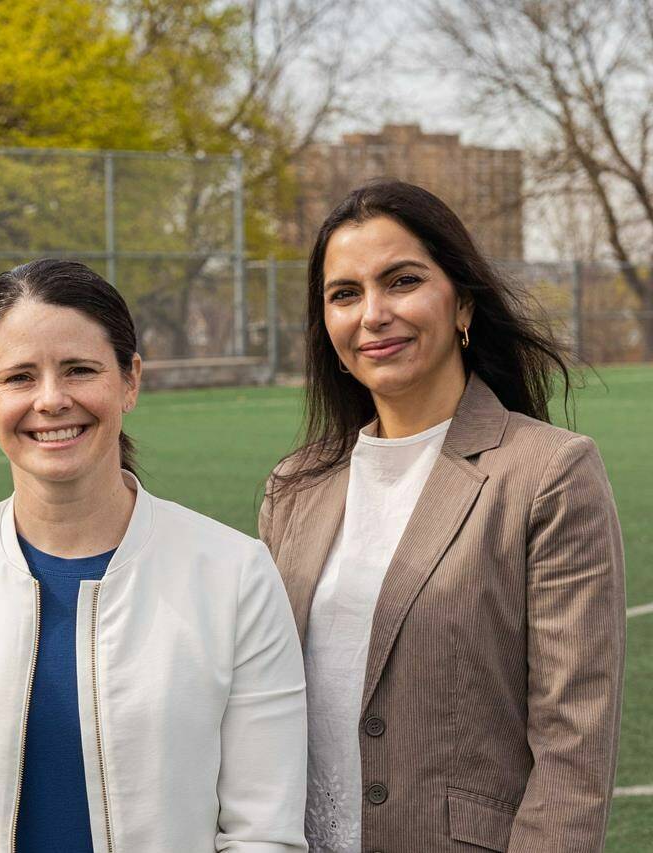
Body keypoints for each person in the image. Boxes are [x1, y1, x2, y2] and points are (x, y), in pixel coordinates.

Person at [0, 258, 308, 853]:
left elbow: (264, 834)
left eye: (79, 370)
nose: (51, 399)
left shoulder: (236, 575)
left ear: (130, 380)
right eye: (19, 377)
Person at [259, 180, 626, 852]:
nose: (372, 314)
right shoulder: (293, 487)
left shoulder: (547, 473)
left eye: (401, 281)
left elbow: (572, 751)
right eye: (345, 293)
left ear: (462, 302)